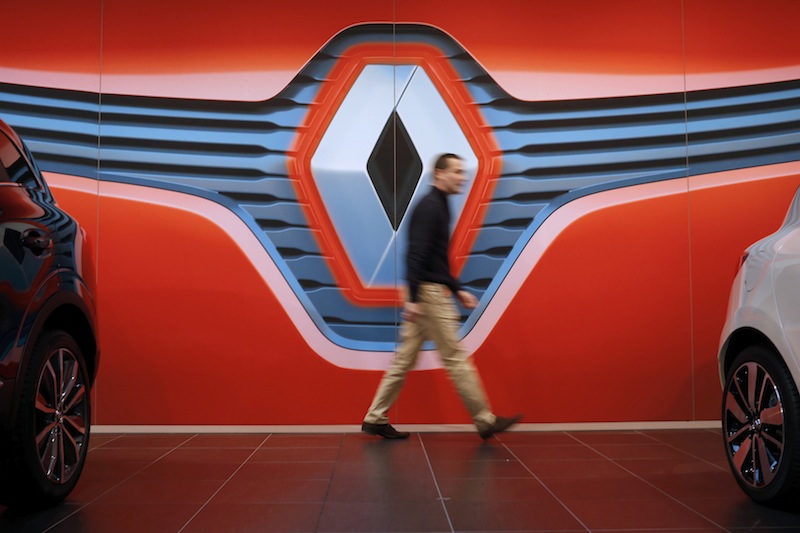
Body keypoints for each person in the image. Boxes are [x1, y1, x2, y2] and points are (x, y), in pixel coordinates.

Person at [362, 153, 521, 440]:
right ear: (439, 174)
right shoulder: (430, 207)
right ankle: (485, 420)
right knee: (455, 358)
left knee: (404, 361)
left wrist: (457, 288)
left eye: (462, 172)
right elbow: (416, 254)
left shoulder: (440, 205)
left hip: (427, 291)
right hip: (428, 295)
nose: (462, 177)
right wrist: (412, 298)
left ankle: (375, 417)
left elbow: (437, 259)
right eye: (457, 172)